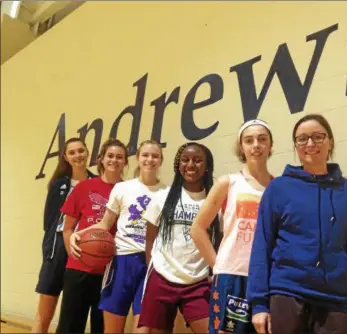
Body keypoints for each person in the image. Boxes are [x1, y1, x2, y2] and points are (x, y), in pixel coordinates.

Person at [247, 114, 347, 334]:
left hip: (335, 300)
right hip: (286, 295)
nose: (310, 144)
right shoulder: (278, 189)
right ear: (295, 146)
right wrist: (258, 304)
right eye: (302, 139)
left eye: (318, 137)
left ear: (330, 141)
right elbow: (262, 246)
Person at [69, 140, 167, 333]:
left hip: (150, 264)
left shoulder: (167, 192)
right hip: (121, 261)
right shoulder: (123, 188)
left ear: (161, 160)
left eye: (155, 156)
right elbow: (105, 224)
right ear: (138, 158)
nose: (150, 159)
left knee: (143, 330)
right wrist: (78, 234)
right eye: (145, 155)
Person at [191, 119, 274, 334]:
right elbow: (197, 229)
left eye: (262, 139)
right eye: (249, 140)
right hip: (231, 275)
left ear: (270, 145)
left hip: (266, 279)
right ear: (241, 147)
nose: (256, 144)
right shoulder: (228, 183)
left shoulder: (279, 187)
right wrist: (217, 264)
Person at [138, 142, 220, 333]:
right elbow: (150, 238)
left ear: (207, 166)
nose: (191, 165)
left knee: (212, 330)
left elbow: (218, 240)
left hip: (197, 280)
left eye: (198, 160)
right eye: (185, 160)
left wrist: (212, 271)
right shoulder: (162, 197)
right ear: (178, 165)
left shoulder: (214, 201)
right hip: (162, 276)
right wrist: (154, 267)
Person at [56, 138, 129, 334]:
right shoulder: (83, 187)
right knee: (70, 327)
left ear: (125, 162)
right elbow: (68, 228)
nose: (114, 160)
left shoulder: (129, 191)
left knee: (102, 328)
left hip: (109, 271)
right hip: (79, 267)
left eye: (119, 157)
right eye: (110, 156)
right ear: (101, 160)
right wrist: (74, 253)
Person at [33, 138, 95, 333]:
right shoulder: (58, 184)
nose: (78, 155)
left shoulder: (96, 182)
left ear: (87, 152)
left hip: (82, 250)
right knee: (45, 311)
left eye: (81, 151)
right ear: (66, 157)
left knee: (71, 313)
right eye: (73, 152)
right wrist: (49, 251)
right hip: (57, 248)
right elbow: (49, 222)